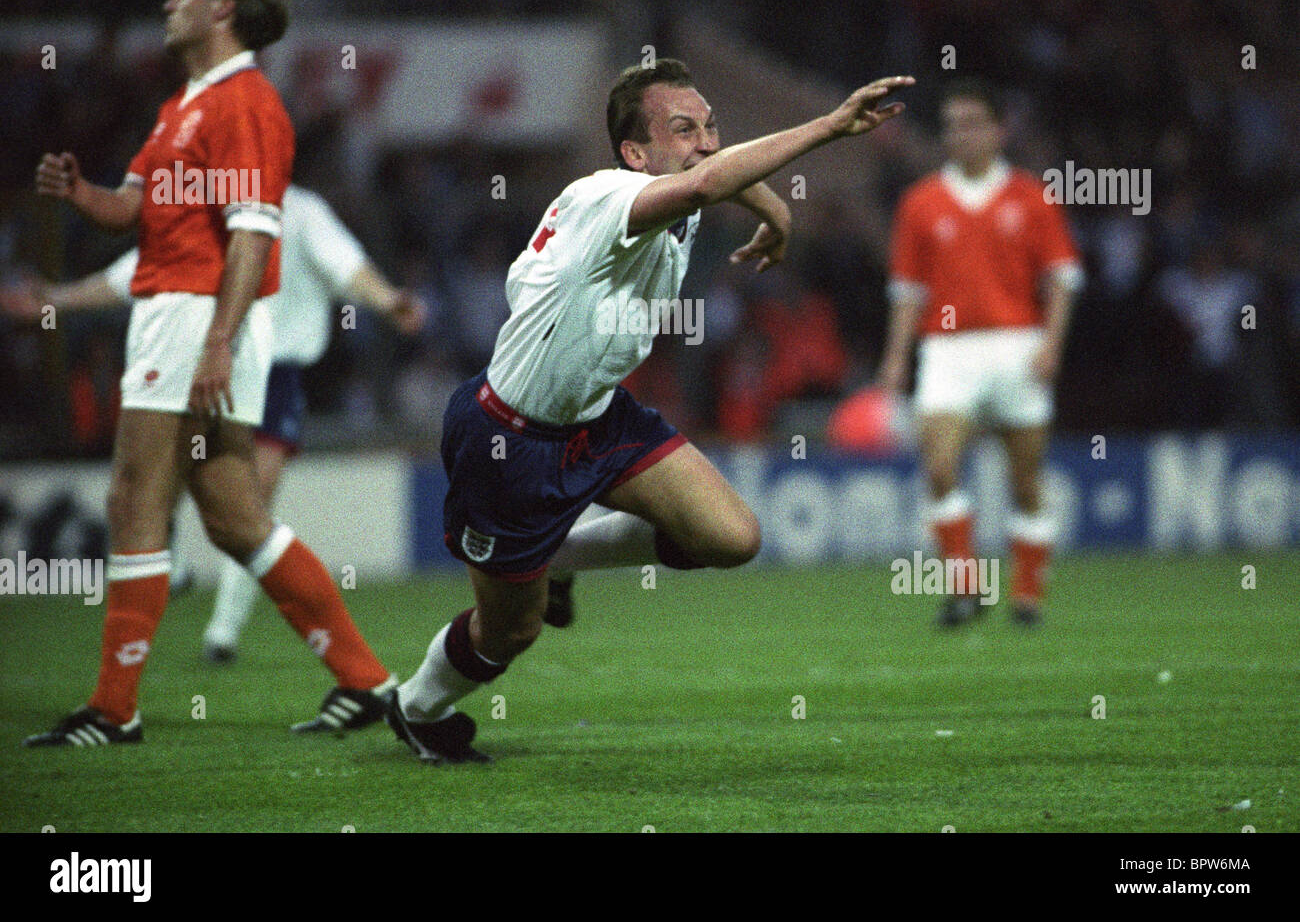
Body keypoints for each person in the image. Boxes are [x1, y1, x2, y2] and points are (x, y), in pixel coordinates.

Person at [386, 58, 913, 763]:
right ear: (635, 153)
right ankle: (416, 707)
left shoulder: (671, 193)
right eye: (683, 128)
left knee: (730, 536)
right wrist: (829, 126)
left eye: (710, 126)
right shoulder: (607, 196)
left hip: (599, 419)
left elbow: (712, 174)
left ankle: (563, 555)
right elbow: (705, 179)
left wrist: (775, 211)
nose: (705, 140)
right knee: (511, 631)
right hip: (508, 439)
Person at [25, 0, 396, 748]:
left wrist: (219, 342)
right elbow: (133, 209)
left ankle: (113, 708)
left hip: (197, 318)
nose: (170, 2)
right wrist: (80, 193)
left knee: (134, 501)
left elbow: (253, 236)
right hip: (182, 314)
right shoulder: (183, 104)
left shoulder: (248, 104)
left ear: (223, 6)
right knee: (233, 517)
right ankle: (368, 681)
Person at [5, 185, 427, 665]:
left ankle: (221, 634)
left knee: (251, 507)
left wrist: (389, 299)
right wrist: (57, 298)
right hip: (207, 364)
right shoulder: (201, 212)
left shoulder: (302, 210)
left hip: (274, 375)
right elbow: (134, 275)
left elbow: (347, 267)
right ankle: (171, 562)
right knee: (160, 485)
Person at [877, 79, 1082, 627]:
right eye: (951, 126)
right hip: (946, 350)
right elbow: (907, 291)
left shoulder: (1032, 197)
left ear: (998, 129)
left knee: (1025, 481)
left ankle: (1028, 592)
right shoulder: (920, 202)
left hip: (1018, 347)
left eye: (971, 123)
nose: (960, 135)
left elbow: (1061, 280)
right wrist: (897, 358)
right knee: (940, 469)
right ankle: (966, 589)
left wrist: (1052, 345)